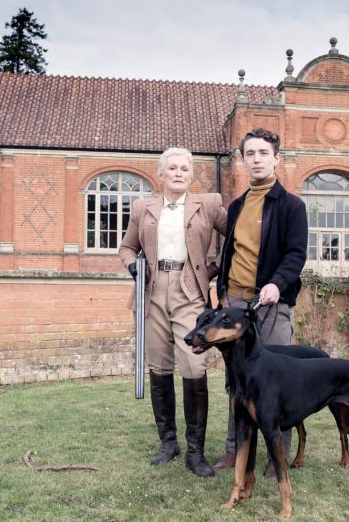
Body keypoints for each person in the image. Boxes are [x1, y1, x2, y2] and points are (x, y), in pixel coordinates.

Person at [119, 147, 227, 478]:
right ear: (161, 174)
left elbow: (238, 238)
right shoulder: (143, 207)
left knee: (194, 365)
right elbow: (127, 248)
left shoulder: (207, 205)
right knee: (159, 366)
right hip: (152, 290)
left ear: (192, 175)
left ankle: (196, 451)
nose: (178, 173)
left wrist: (212, 269)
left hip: (190, 290)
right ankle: (169, 442)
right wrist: (133, 268)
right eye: (172, 168)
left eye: (184, 168)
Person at [212, 127, 308, 477]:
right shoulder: (237, 206)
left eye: (262, 153)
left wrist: (277, 284)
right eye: (249, 153)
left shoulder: (292, 206)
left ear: (276, 159)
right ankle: (233, 450)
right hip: (235, 305)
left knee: (274, 381)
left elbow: (296, 255)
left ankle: (275, 456)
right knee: (236, 382)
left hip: (271, 304)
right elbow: (231, 252)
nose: (256, 159)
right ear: (242, 159)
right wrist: (222, 290)